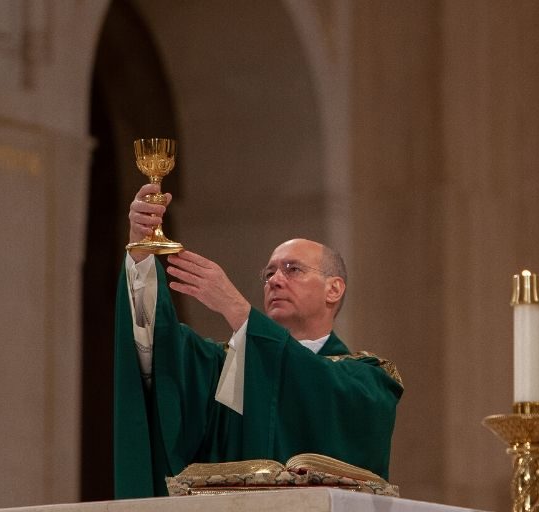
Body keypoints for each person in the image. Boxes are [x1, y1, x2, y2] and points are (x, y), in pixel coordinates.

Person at [113, 184, 404, 498]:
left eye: (292, 269)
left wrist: (239, 312)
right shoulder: (223, 365)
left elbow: (326, 394)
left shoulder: (369, 379)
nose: (275, 280)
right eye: (269, 273)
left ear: (334, 289)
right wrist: (141, 253)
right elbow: (158, 349)